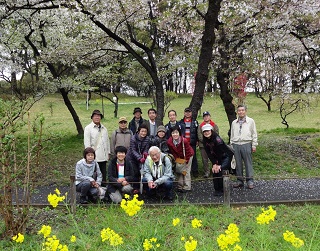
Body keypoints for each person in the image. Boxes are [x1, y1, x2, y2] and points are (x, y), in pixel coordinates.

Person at [230, 105, 258, 189]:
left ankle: (250, 181)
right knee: (238, 164)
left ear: (245, 111)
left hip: (246, 143)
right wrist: (231, 145)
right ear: (237, 112)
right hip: (236, 144)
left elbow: (254, 133)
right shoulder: (234, 122)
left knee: (248, 163)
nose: (241, 112)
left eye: (242, 110)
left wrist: (254, 145)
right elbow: (232, 134)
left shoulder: (251, 121)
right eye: (239, 110)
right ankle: (240, 181)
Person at [202, 124, 233, 196]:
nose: (206, 133)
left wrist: (218, 165)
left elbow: (220, 152)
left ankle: (223, 189)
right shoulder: (205, 141)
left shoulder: (217, 139)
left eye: (208, 131)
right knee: (214, 171)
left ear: (211, 131)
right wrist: (214, 163)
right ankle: (217, 189)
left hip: (226, 156)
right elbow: (209, 154)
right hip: (216, 158)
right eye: (205, 131)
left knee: (219, 171)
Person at [84, 109, 110, 183]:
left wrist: (108, 153)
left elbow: (107, 141)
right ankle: (93, 191)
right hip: (94, 156)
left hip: (103, 156)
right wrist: (88, 155)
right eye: (95, 116)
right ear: (92, 117)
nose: (97, 117)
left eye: (98, 116)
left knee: (103, 174)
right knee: (94, 175)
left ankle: (103, 190)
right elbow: (87, 142)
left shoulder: (104, 128)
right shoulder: (88, 128)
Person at [167, 125, 194, 192]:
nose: (175, 134)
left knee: (185, 171)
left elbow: (188, 152)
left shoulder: (184, 141)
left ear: (179, 133)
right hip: (179, 157)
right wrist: (177, 160)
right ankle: (180, 186)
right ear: (171, 134)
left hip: (188, 156)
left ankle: (187, 187)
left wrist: (186, 161)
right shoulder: (169, 142)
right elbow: (173, 152)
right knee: (179, 171)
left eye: (176, 132)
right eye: (173, 133)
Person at [126, 124, 150, 192]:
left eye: (145, 131)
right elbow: (133, 150)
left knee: (143, 171)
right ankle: (135, 188)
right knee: (135, 172)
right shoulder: (133, 138)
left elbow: (146, 148)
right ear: (139, 131)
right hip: (131, 158)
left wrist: (145, 154)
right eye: (142, 131)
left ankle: (144, 188)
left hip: (141, 157)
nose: (143, 133)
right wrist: (139, 158)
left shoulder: (147, 139)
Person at [197, 111, 220, 178]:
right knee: (205, 159)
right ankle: (206, 172)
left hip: (213, 145)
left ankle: (214, 171)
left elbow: (216, 134)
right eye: (204, 116)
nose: (206, 117)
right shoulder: (200, 126)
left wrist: (211, 141)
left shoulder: (214, 125)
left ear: (210, 116)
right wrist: (205, 140)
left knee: (214, 158)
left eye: (207, 116)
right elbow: (199, 135)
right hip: (203, 145)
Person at [180, 107, 199, 177]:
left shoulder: (195, 122)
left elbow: (197, 132)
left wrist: (197, 141)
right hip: (183, 143)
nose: (188, 113)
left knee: (193, 157)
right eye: (186, 112)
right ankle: (184, 171)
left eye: (189, 112)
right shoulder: (181, 122)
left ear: (191, 113)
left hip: (192, 142)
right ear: (184, 113)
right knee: (183, 157)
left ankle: (195, 171)